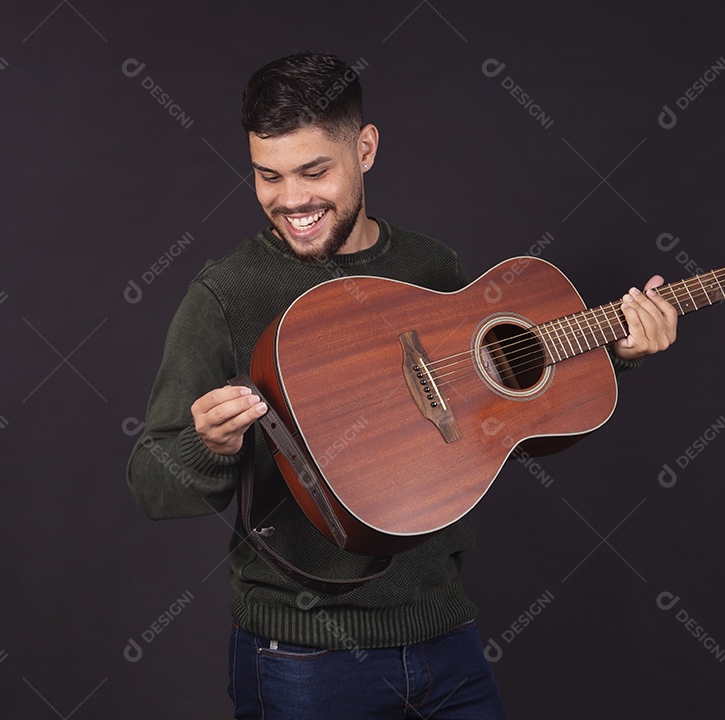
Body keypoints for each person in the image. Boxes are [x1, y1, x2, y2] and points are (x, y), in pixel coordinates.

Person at [126, 51, 677, 719]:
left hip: (446, 640)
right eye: (267, 176)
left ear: (366, 148)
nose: (291, 200)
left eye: (314, 171)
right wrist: (209, 445)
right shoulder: (226, 294)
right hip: (302, 662)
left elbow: (497, 418)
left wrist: (619, 353)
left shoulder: (430, 264)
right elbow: (152, 485)